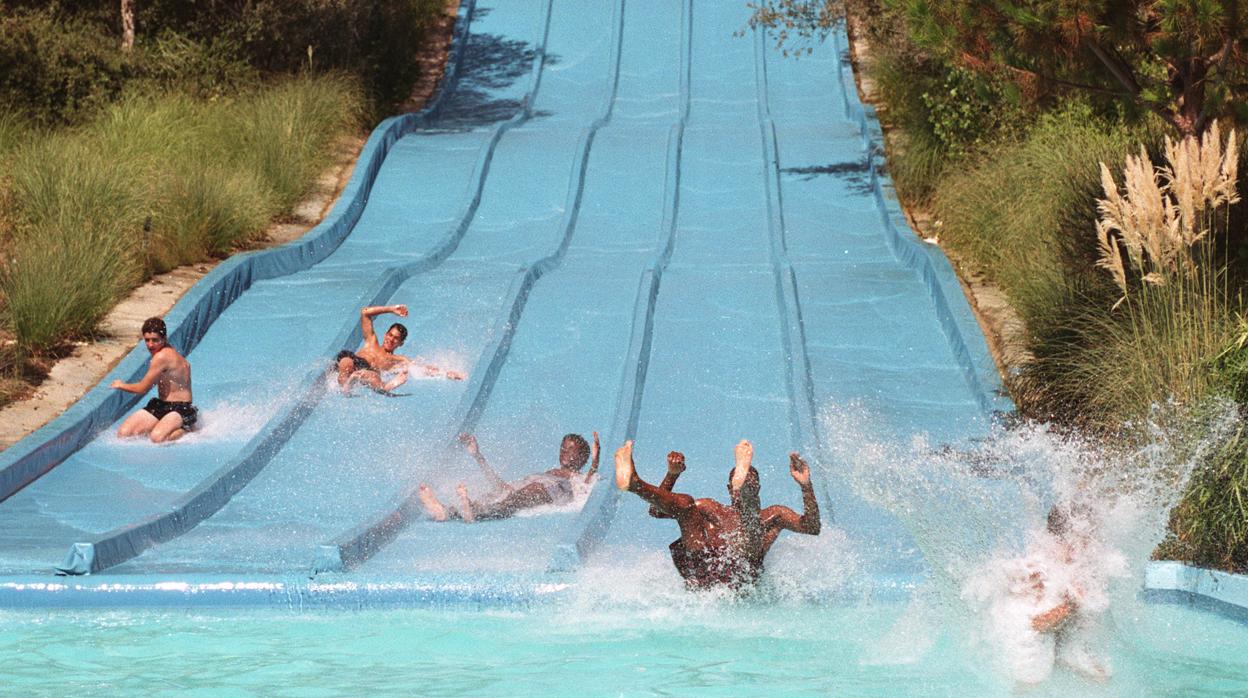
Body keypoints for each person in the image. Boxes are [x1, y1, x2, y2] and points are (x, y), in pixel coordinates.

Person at [614, 439, 821, 589]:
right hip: (702, 570)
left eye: (750, 484)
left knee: (752, 527)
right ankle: (635, 484)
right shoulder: (711, 508)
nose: (740, 492)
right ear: (728, 488)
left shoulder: (774, 515)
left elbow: (812, 527)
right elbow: (656, 512)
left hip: (741, 575)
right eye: (739, 486)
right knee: (686, 504)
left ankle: (636, 485)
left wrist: (806, 485)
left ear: (758, 489)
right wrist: (672, 475)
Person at [418, 431, 600, 522]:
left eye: (571, 449)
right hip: (531, 488)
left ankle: (473, 512)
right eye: (563, 447)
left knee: (518, 496)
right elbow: (502, 487)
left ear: (582, 457)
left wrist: (594, 463)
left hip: (551, 491)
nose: (564, 452)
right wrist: (478, 456)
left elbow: (586, 485)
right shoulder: (545, 472)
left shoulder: (575, 476)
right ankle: (447, 512)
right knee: (498, 493)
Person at [333, 304, 464, 394]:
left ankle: (384, 386)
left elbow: (420, 368)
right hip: (356, 360)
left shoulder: (397, 360)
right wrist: (391, 309)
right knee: (346, 363)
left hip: (368, 370)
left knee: (373, 377)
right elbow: (365, 313)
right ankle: (346, 386)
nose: (391, 339)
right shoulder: (371, 341)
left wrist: (446, 373)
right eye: (390, 335)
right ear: (385, 334)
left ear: (400, 344)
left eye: (396, 338)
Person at [111, 317, 197, 443]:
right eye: (147, 340)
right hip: (162, 405)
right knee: (124, 433)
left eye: (155, 340)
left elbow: (142, 388)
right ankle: (165, 425)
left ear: (164, 338)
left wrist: (121, 385)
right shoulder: (164, 351)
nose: (150, 345)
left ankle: (187, 429)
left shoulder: (162, 357)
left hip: (181, 409)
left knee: (157, 438)